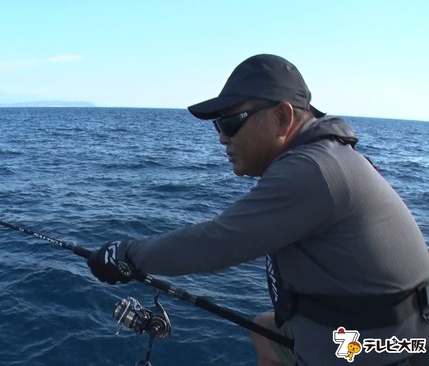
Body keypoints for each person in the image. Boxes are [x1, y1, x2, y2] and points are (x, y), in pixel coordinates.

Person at [87, 54, 429, 365]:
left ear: (282, 118)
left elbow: (214, 244)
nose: (222, 137)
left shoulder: (313, 171)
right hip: (371, 328)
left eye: (231, 122)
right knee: (263, 329)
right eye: (218, 124)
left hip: (392, 349)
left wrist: (126, 254)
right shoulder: (323, 157)